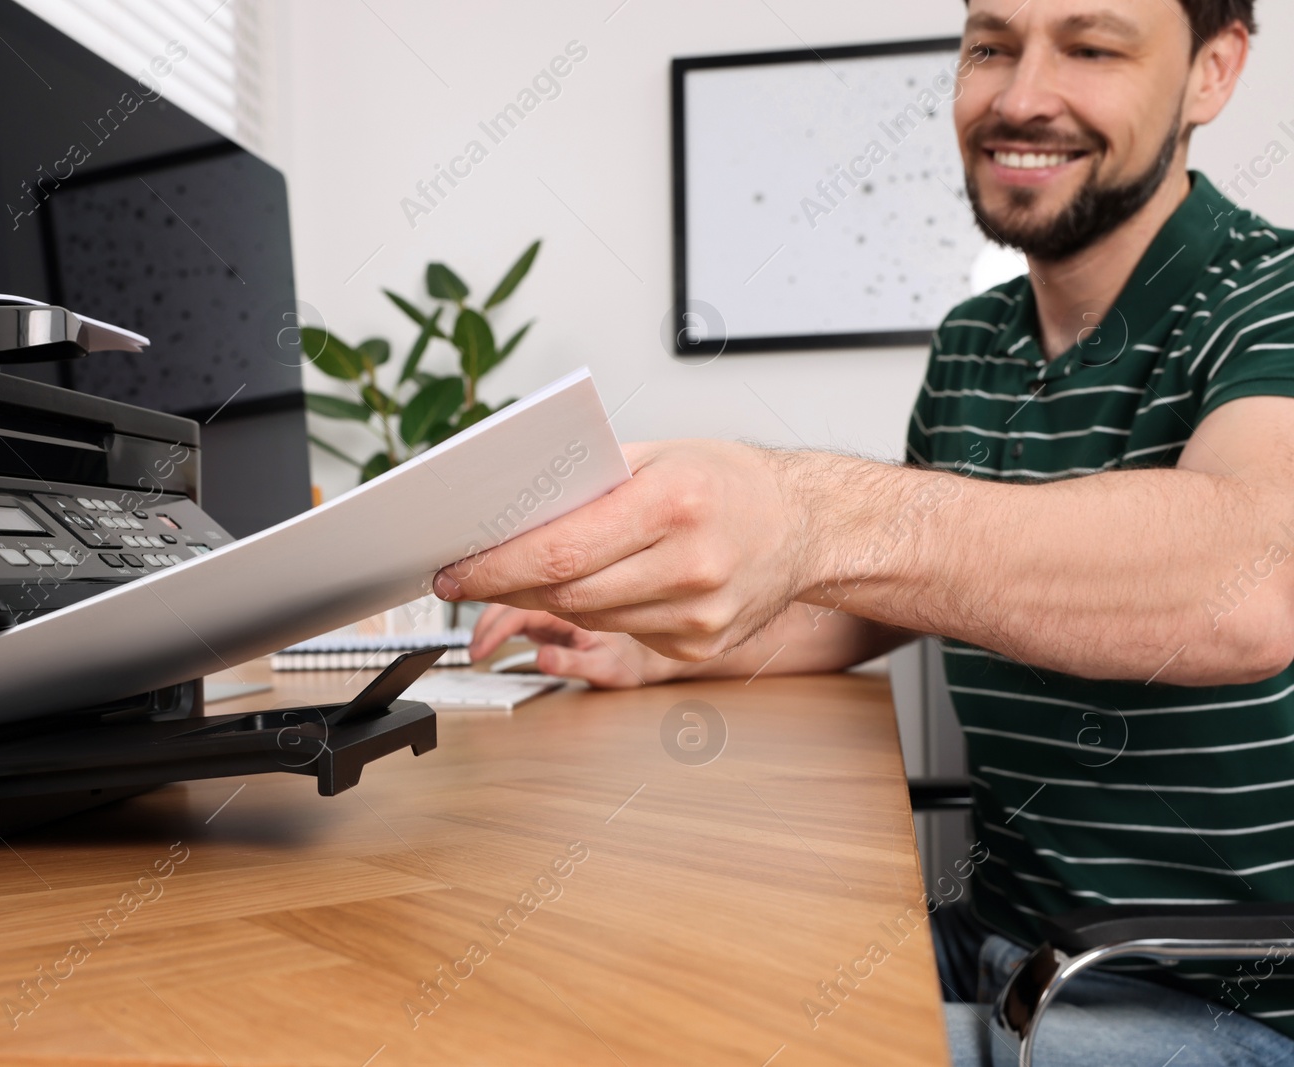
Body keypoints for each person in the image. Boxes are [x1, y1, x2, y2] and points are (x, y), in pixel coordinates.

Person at [435, 1, 1294, 1063]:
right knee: (622, 968)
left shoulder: (1271, 293)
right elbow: (881, 593)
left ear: (1212, 71)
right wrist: (651, 639)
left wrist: (805, 507)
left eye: (1091, 46)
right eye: (989, 45)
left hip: (1206, 1000)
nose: (1018, 96)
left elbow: (1251, 578)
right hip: (997, 947)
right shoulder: (975, 342)